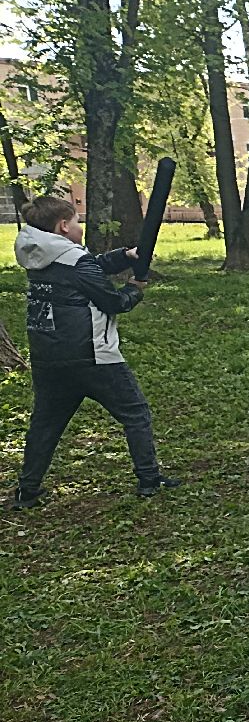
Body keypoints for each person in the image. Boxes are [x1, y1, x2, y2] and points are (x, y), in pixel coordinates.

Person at [8, 196, 180, 509]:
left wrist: (125, 255)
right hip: (92, 355)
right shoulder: (73, 259)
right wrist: (134, 289)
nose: (78, 226)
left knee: (45, 425)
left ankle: (27, 491)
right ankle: (149, 479)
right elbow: (112, 302)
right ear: (63, 226)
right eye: (75, 221)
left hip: (48, 358)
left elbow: (90, 268)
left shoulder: (39, 254)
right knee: (135, 412)